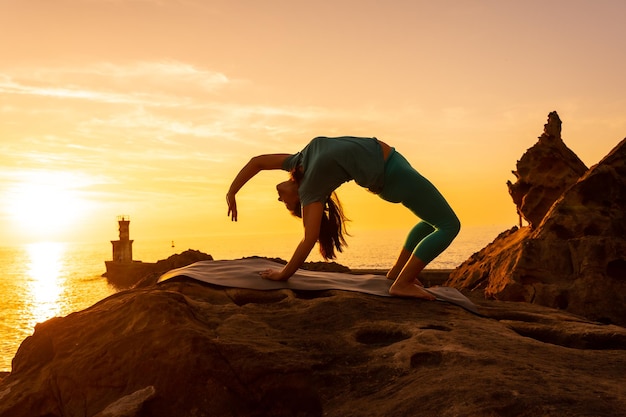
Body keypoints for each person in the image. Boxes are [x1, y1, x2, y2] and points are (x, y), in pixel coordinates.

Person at [226, 136, 460, 300]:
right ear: (300, 200)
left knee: (431, 222)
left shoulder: (297, 162)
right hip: (393, 176)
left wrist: (232, 191)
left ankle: (398, 273)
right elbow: (309, 238)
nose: (280, 200)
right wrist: (283, 274)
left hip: (394, 168)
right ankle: (403, 283)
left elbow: (257, 162)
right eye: (286, 205)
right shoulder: (311, 191)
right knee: (449, 225)